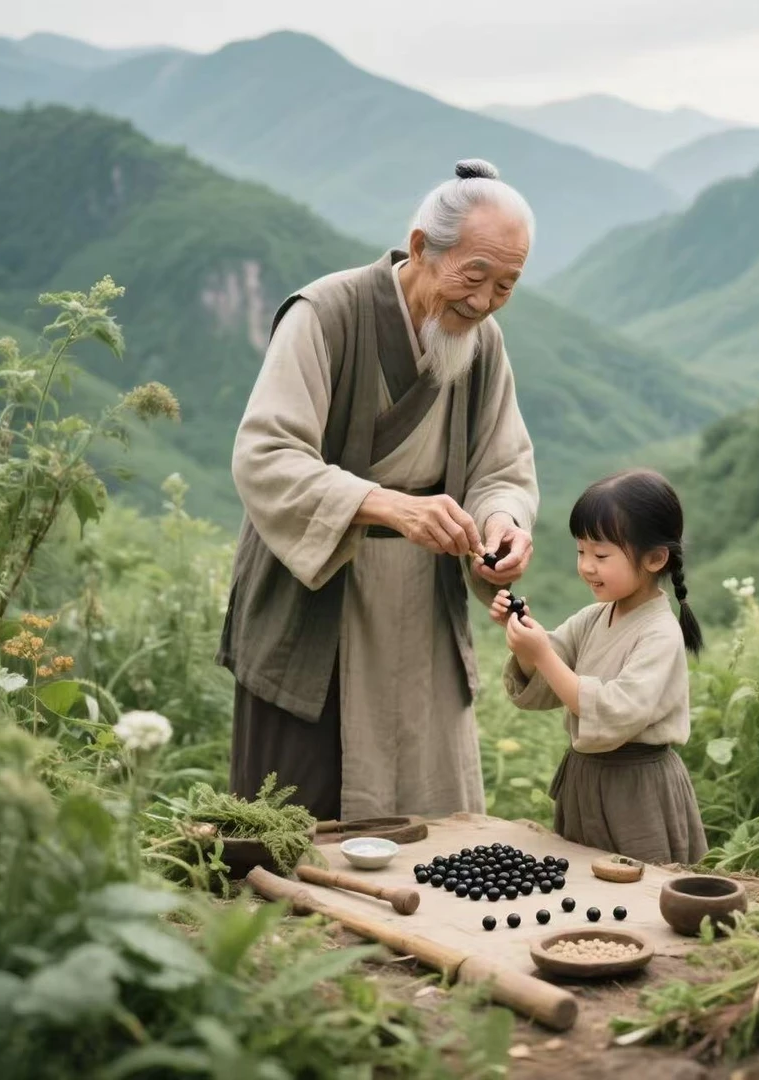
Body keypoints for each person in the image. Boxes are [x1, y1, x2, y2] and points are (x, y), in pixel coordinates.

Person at [217, 159, 539, 822]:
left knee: (432, 817)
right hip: (318, 593)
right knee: (296, 826)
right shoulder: (325, 315)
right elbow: (266, 455)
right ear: (421, 247)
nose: (483, 302)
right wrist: (387, 506)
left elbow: (501, 465)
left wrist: (502, 521)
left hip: (423, 606)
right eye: (474, 276)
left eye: (505, 286)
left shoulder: (483, 344)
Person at [492, 469, 708, 865]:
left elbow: (615, 710)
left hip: (637, 789)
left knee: (638, 886)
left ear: (655, 558)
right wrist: (524, 641)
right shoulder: (593, 618)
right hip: (586, 781)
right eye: (581, 552)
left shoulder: (660, 633)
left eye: (601, 555)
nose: (587, 566)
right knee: (581, 883)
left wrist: (541, 654)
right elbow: (550, 671)